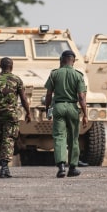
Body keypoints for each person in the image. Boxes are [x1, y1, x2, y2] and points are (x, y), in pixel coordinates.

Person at [0, 57, 31, 178]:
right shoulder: (17, 80)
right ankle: (4, 167)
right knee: (8, 140)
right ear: (12, 66)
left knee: (1, 141)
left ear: (0, 66)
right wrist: (28, 113)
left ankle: (4, 166)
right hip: (11, 116)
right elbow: (24, 98)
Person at [44, 50, 88, 178]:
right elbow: (81, 97)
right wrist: (85, 114)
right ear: (73, 61)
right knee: (73, 138)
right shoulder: (78, 75)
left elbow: (48, 95)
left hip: (58, 106)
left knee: (59, 137)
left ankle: (61, 167)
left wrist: (47, 109)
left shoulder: (54, 74)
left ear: (62, 60)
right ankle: (73, 167)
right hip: (72, 107)